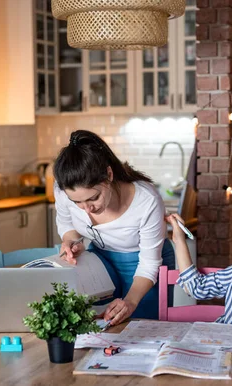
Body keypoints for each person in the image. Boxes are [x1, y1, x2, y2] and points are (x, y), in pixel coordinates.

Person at [53, 130, 175, 325]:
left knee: (141, 329)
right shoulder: (63, 190)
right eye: (77, 202)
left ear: (108, 175)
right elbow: (67, 223)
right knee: (98, 326)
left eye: (93, 198)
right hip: (100, 261)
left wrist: (131, 300)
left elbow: (149, 264)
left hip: (144, 267)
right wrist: (70, 241)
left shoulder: (146, 200)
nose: (87, 209)